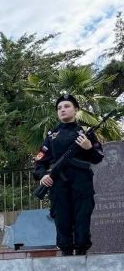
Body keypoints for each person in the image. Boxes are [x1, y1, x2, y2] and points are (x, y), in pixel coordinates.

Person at [34, 93, 104, 256]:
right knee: (62, 221)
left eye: (67, 106)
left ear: (76, 109)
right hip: (59, 186)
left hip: (82, 186)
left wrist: (88, 147)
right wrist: (43, 175)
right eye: (59, 108)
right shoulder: (51, 135)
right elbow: (39, 162)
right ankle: (65, 255)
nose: (62, 110)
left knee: (82, 221)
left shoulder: (85, 133)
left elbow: (98, 157)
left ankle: (81, 254)